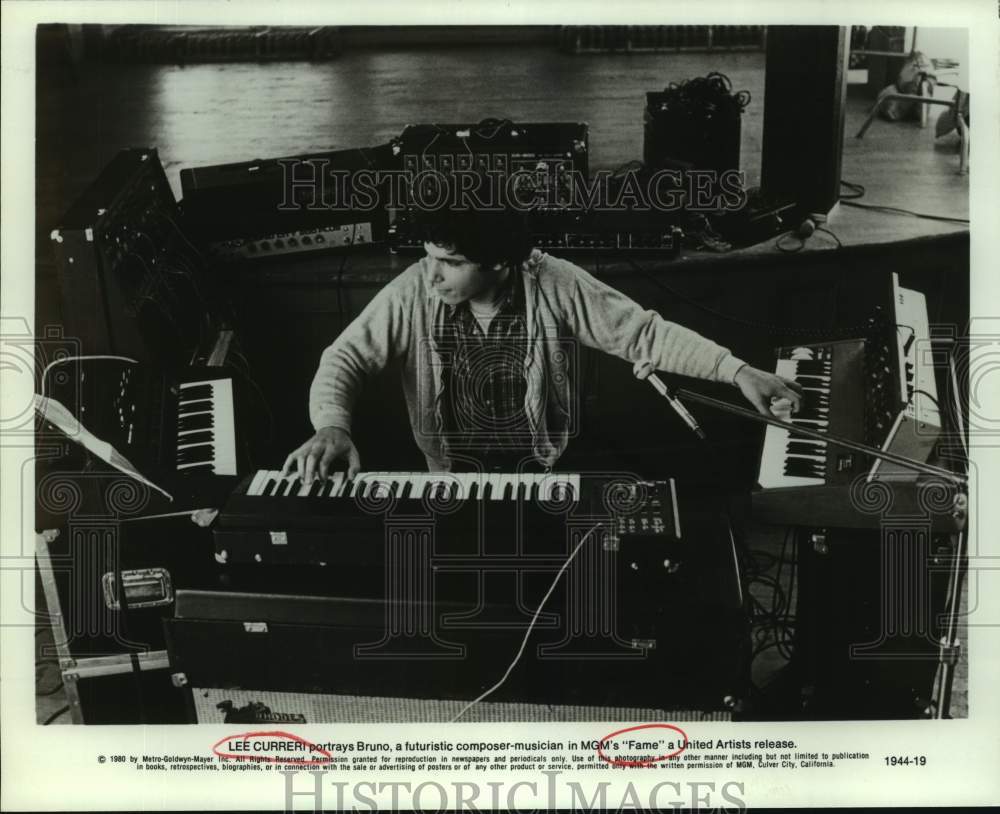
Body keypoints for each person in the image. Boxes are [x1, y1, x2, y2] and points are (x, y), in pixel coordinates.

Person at [283, 205, 802, 482]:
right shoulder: (417, 286)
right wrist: (331, 425)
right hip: (450, 475)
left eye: (451, 262)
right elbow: (347, 356)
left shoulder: (553, 280)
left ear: (497, 262)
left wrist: (737, 371)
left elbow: (643, 333)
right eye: (430, 257)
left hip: (546, 468)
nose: (433, 275)